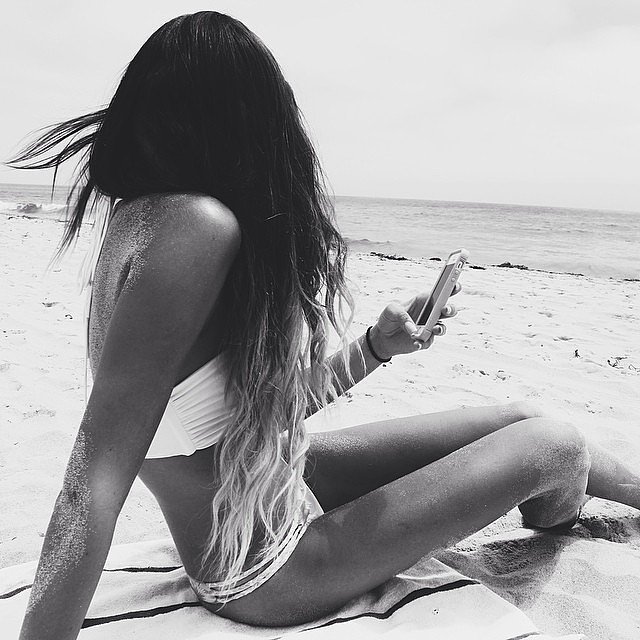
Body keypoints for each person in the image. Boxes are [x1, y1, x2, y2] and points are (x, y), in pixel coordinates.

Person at [9, 11, 640, 640]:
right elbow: (92, 480)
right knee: (554, 444)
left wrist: (374, 347)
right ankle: (560, 519)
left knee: (525, 417)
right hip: (268, 570)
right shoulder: (196, 228)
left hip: (278, 478)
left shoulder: (141, 218)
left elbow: (235, 416)